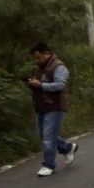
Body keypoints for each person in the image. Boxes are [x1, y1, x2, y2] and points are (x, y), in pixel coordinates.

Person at [25, 42, 78, 177]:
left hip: (55, 106)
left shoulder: (59, 67)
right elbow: (40, 85)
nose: (36, 61)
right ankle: (67, 148)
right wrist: (32, 84)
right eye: (35, 58)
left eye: (38, 57)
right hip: (41, 106)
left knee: (48, 137)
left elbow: (60, 85)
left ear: (47, 53)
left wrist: (41, 85)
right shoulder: (39, 68)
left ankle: (48, 165)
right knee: (43, 135)